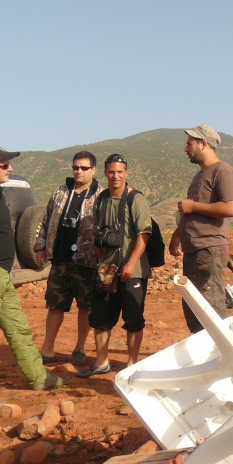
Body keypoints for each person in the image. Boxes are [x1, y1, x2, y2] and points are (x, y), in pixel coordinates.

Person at [0, 145, 64, 406]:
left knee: (19, 329)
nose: (10, 169)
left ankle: (39, 377)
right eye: (5, 165)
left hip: (1, 275)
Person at [78, 154, 152, 377]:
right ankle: (101, 362)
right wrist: (102, 262)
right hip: (107, 271)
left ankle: (131, 365)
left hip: (134, 270)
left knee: (133, 319)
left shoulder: (135, 199)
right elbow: (98, 234)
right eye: (111, 172)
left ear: (126, 173)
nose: (115, 176)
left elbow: (144, 234)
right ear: (105, 173)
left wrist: (130, 263)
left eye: (120, 172)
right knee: (100, 317)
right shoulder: (101, 200)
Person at [169, 125, 233, 333]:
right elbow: (191, 213)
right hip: (194, 251)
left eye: (189, 143)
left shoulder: (223, 171)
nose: (185, 149)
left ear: (204, 144)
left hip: (209, 249)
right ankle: (207, 361)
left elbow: (231, 207)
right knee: (195, 309)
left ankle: (224, 359)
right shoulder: (200, 175)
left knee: (211, 309)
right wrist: (177, 235)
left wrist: (193, 206)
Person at [34, 151, 101, 367]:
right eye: (75, 167)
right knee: (55, 305)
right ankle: (47, 348)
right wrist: (40, 246)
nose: (78, 171)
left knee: (86, 306)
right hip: (60, 257)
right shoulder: (61, 192)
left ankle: (80, 348)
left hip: (87, 260)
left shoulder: (101, 195)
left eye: (83, 168)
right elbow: (46, 220)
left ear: (93, 170)